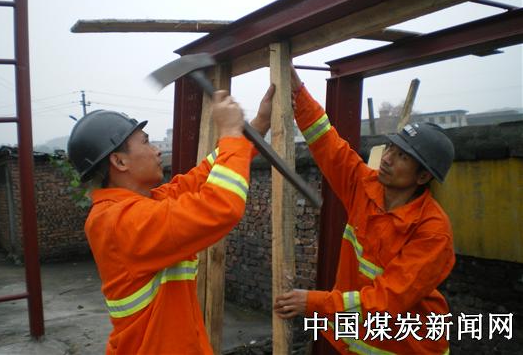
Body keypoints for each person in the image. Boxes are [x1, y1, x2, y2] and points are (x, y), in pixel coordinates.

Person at [67, 86, 275, 355]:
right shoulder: (122, 221)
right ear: (119, 161)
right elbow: (219, 207)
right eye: (146, 142)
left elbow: (201, 177)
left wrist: (258, 124)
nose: (156, 151)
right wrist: (230, 133)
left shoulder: (141, 205)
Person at [274, 67, 455, 354]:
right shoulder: (366, 187)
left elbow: (386, 300)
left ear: (423, 177)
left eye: (402, 157)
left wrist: (314, 302)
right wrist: (298, 92)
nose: (387, 158)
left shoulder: (432, 231)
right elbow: (329, 146)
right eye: (391, 148)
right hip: (357, 342)